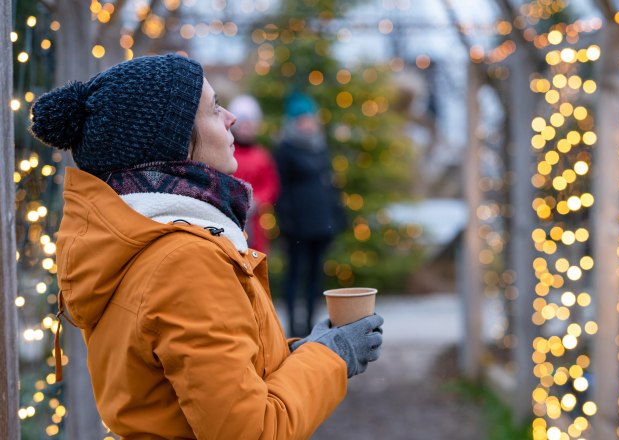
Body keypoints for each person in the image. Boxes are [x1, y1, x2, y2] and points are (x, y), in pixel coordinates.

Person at [30, 54, 383, 439]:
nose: (231, 117)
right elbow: (252, 431)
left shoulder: (138, 238)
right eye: (214, 108)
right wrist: (333, 356)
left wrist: (309, 349)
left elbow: (206, 384)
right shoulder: (185, 260)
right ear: (175, 138)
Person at [274, 92, 347, 337]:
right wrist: (287, 221)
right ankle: (294, 326)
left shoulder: (319, 146)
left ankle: (311, 325)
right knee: (295, 274)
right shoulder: (285, 149)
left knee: (316, 276)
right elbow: (280, 189)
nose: (308, 123)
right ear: (294, 121)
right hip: (298, 225)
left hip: (321, 223)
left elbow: (330, 185)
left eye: (310, 118)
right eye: (302, 118)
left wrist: (337, 217)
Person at [227, 95, 279, 253]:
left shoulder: (262, 156)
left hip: (255, 223)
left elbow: (271, 185)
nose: (246, 128)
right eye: (243, 124)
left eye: (249, 124)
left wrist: (257, 201)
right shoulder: (227, 153)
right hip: (229, 215)